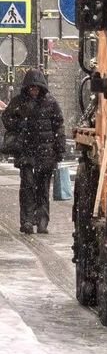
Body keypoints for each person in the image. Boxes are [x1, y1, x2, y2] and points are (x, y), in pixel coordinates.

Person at [1, 69, 66, 235]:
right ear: (27, 88)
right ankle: (28, 221)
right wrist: (18, 124)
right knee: (28, 187)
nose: (34, 91)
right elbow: (7, 119)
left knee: (42, 189)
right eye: (31, 88)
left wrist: (59, 151)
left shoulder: (50, 103)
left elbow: (59, 127)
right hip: (27, 153)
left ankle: (42, 222)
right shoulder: (19, 102)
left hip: (45, 154)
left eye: (36, 88)